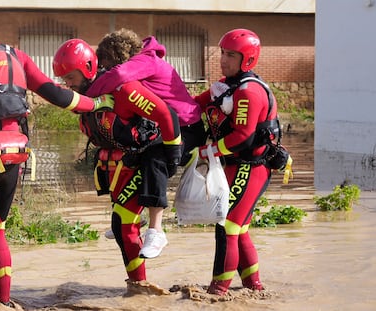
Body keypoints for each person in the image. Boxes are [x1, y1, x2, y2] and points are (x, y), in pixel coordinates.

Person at [0, 7, 112, 311]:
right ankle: (3, 301)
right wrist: (97, 102)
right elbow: (59, 96)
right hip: (13, 156)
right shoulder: (17, 55)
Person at [54, 29, 206, 258]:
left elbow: (118, 76)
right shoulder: (141, 62)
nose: (104, 70)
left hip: (186, 127)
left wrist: (88, 100)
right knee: (135, 155)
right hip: (167, 123)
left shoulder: (146, 60)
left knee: (155, 157)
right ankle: (135, 217)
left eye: (105, 64)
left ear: (116, 56)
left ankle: (157, 230)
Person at [194, 28, 281, 295]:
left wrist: (208, 151)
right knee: (239, 227)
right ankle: (254, 288)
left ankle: (218, 292)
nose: (223, 59)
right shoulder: (224, 86)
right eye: (221, 53)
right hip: (234, 165)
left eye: (231, 55)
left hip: (251, 167)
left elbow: (243, 137)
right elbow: (194, 104)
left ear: (248, 59)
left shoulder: (248, 92)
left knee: (227, 226)